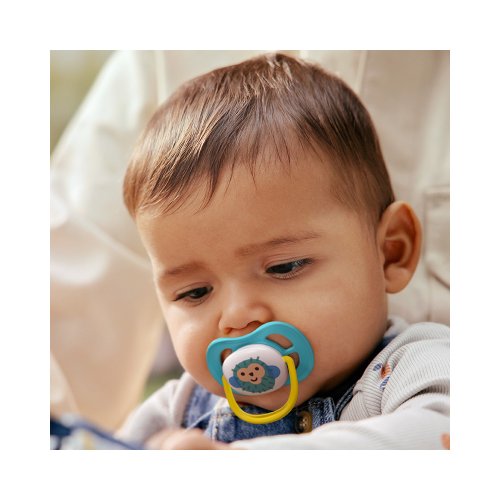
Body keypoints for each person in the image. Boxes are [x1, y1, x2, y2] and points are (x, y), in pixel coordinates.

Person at [51, 50, 449, 432]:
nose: (238, 316)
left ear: (391, 252)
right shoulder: (179, 409)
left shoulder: (417, 367)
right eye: (194, 293)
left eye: (284, 267)